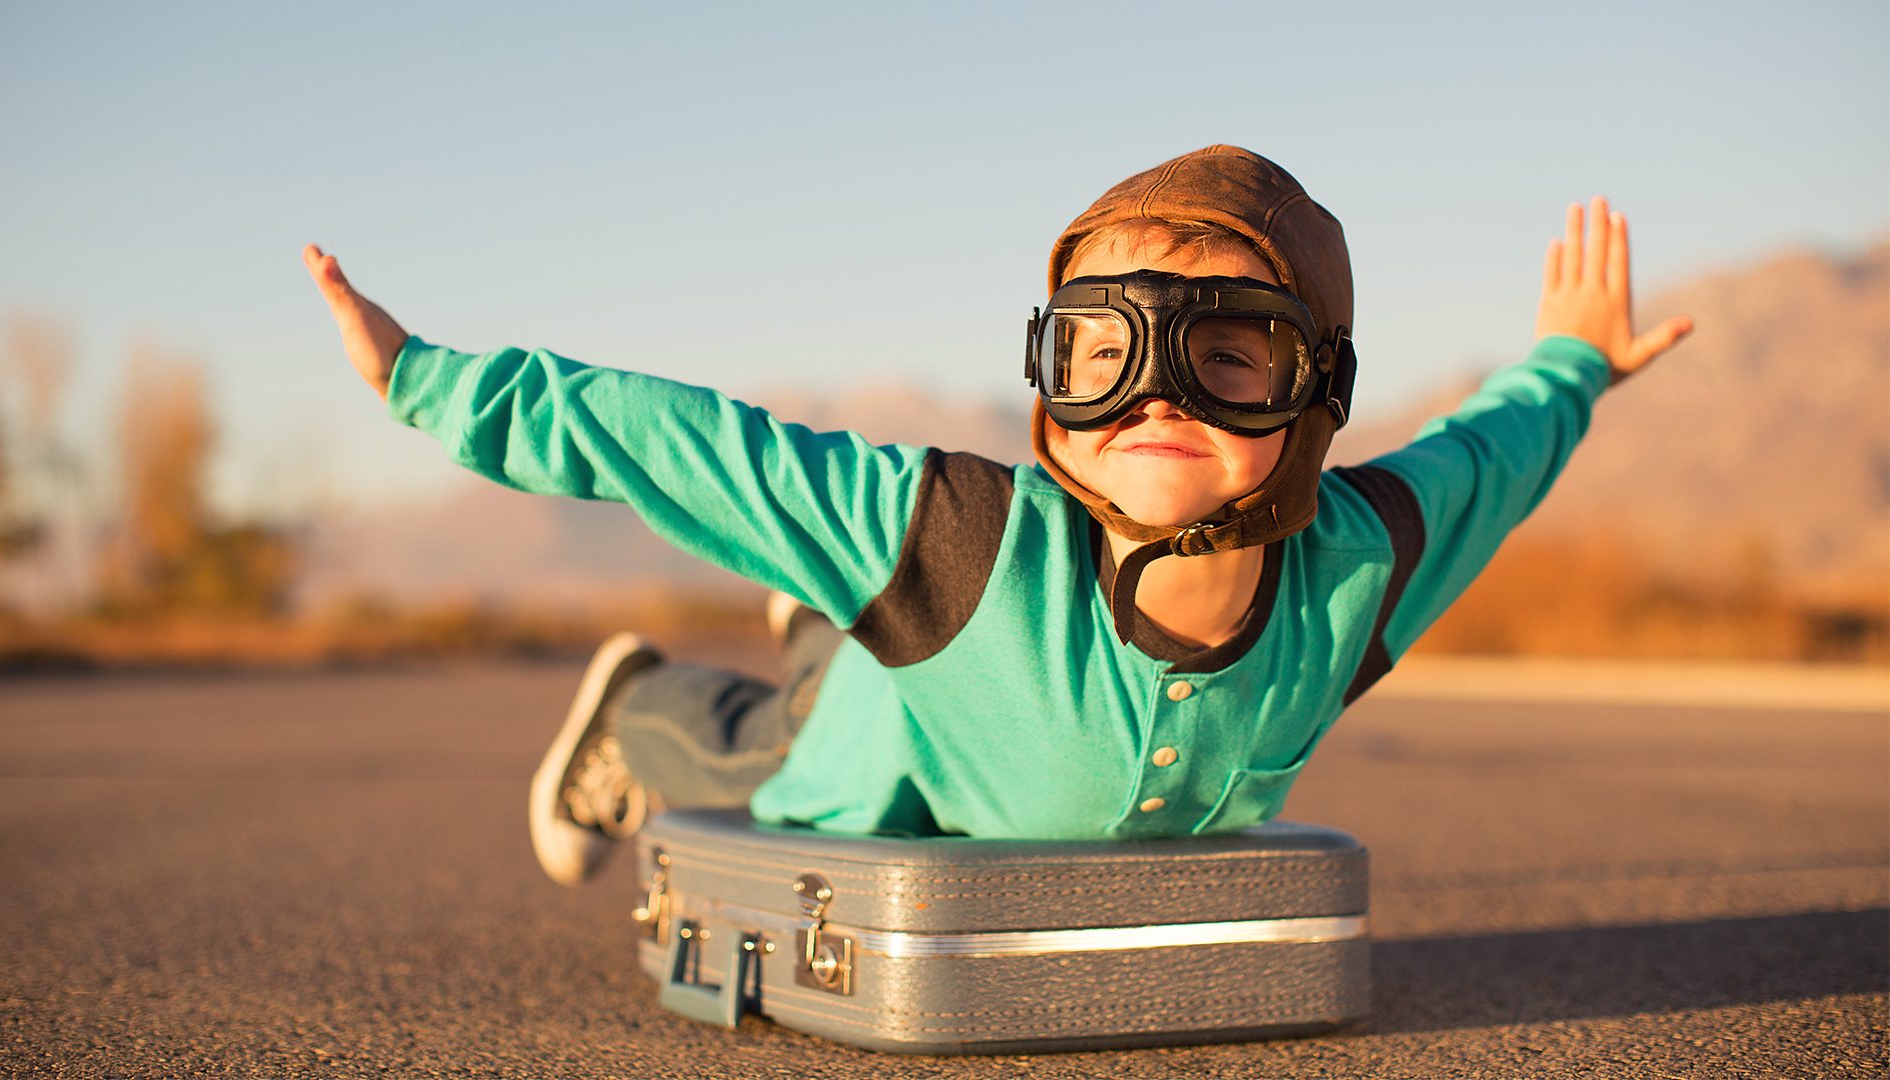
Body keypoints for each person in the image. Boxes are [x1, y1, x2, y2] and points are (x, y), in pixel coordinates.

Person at [304, 145, 1693, 887]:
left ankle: (824, 612)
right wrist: (433, 385)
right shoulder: (956, 538)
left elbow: (1492, 456)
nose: (1157, 395)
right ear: (1050, 374)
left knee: (852, 617)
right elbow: (692, 448)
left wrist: (1573, 365)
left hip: (914, 634)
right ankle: (641, 706)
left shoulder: (1361, 566)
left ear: (1315, 388)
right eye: (1105, 352)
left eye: (1227, 354)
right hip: (909, 726)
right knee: (802, 782)